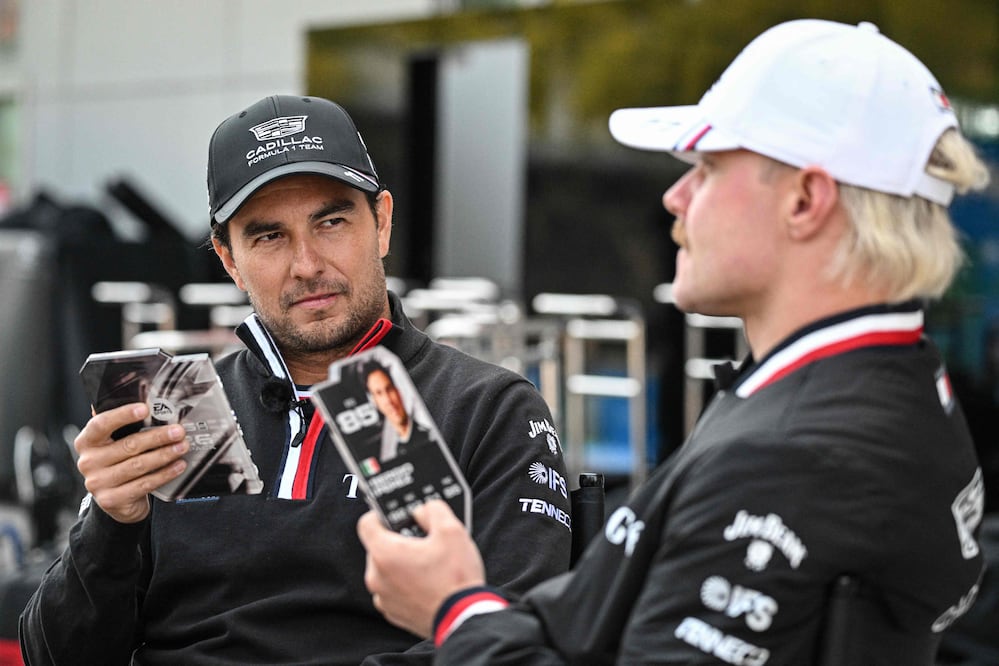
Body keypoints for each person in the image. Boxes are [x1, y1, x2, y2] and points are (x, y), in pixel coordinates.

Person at [357, 19, 991, 664]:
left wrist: (453, 608)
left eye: (707, 167)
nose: (674, 195)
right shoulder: (892, 378)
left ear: (805, 201)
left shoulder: (789, 453)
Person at [19, 94, 572, 665]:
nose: (307, 264)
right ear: (228, 259)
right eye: (269, 237)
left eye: (331, 222)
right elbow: (56, 655)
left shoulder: (489, 409)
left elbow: (511, 644)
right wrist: (110, 522)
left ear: (380, 223)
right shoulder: (175, 411)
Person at [363, 361, 437, 461]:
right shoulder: (381, 451)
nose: (388, 400)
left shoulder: (429, 435)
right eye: (379, 393)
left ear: (398, 390)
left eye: (389, 389)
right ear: (374, 401)